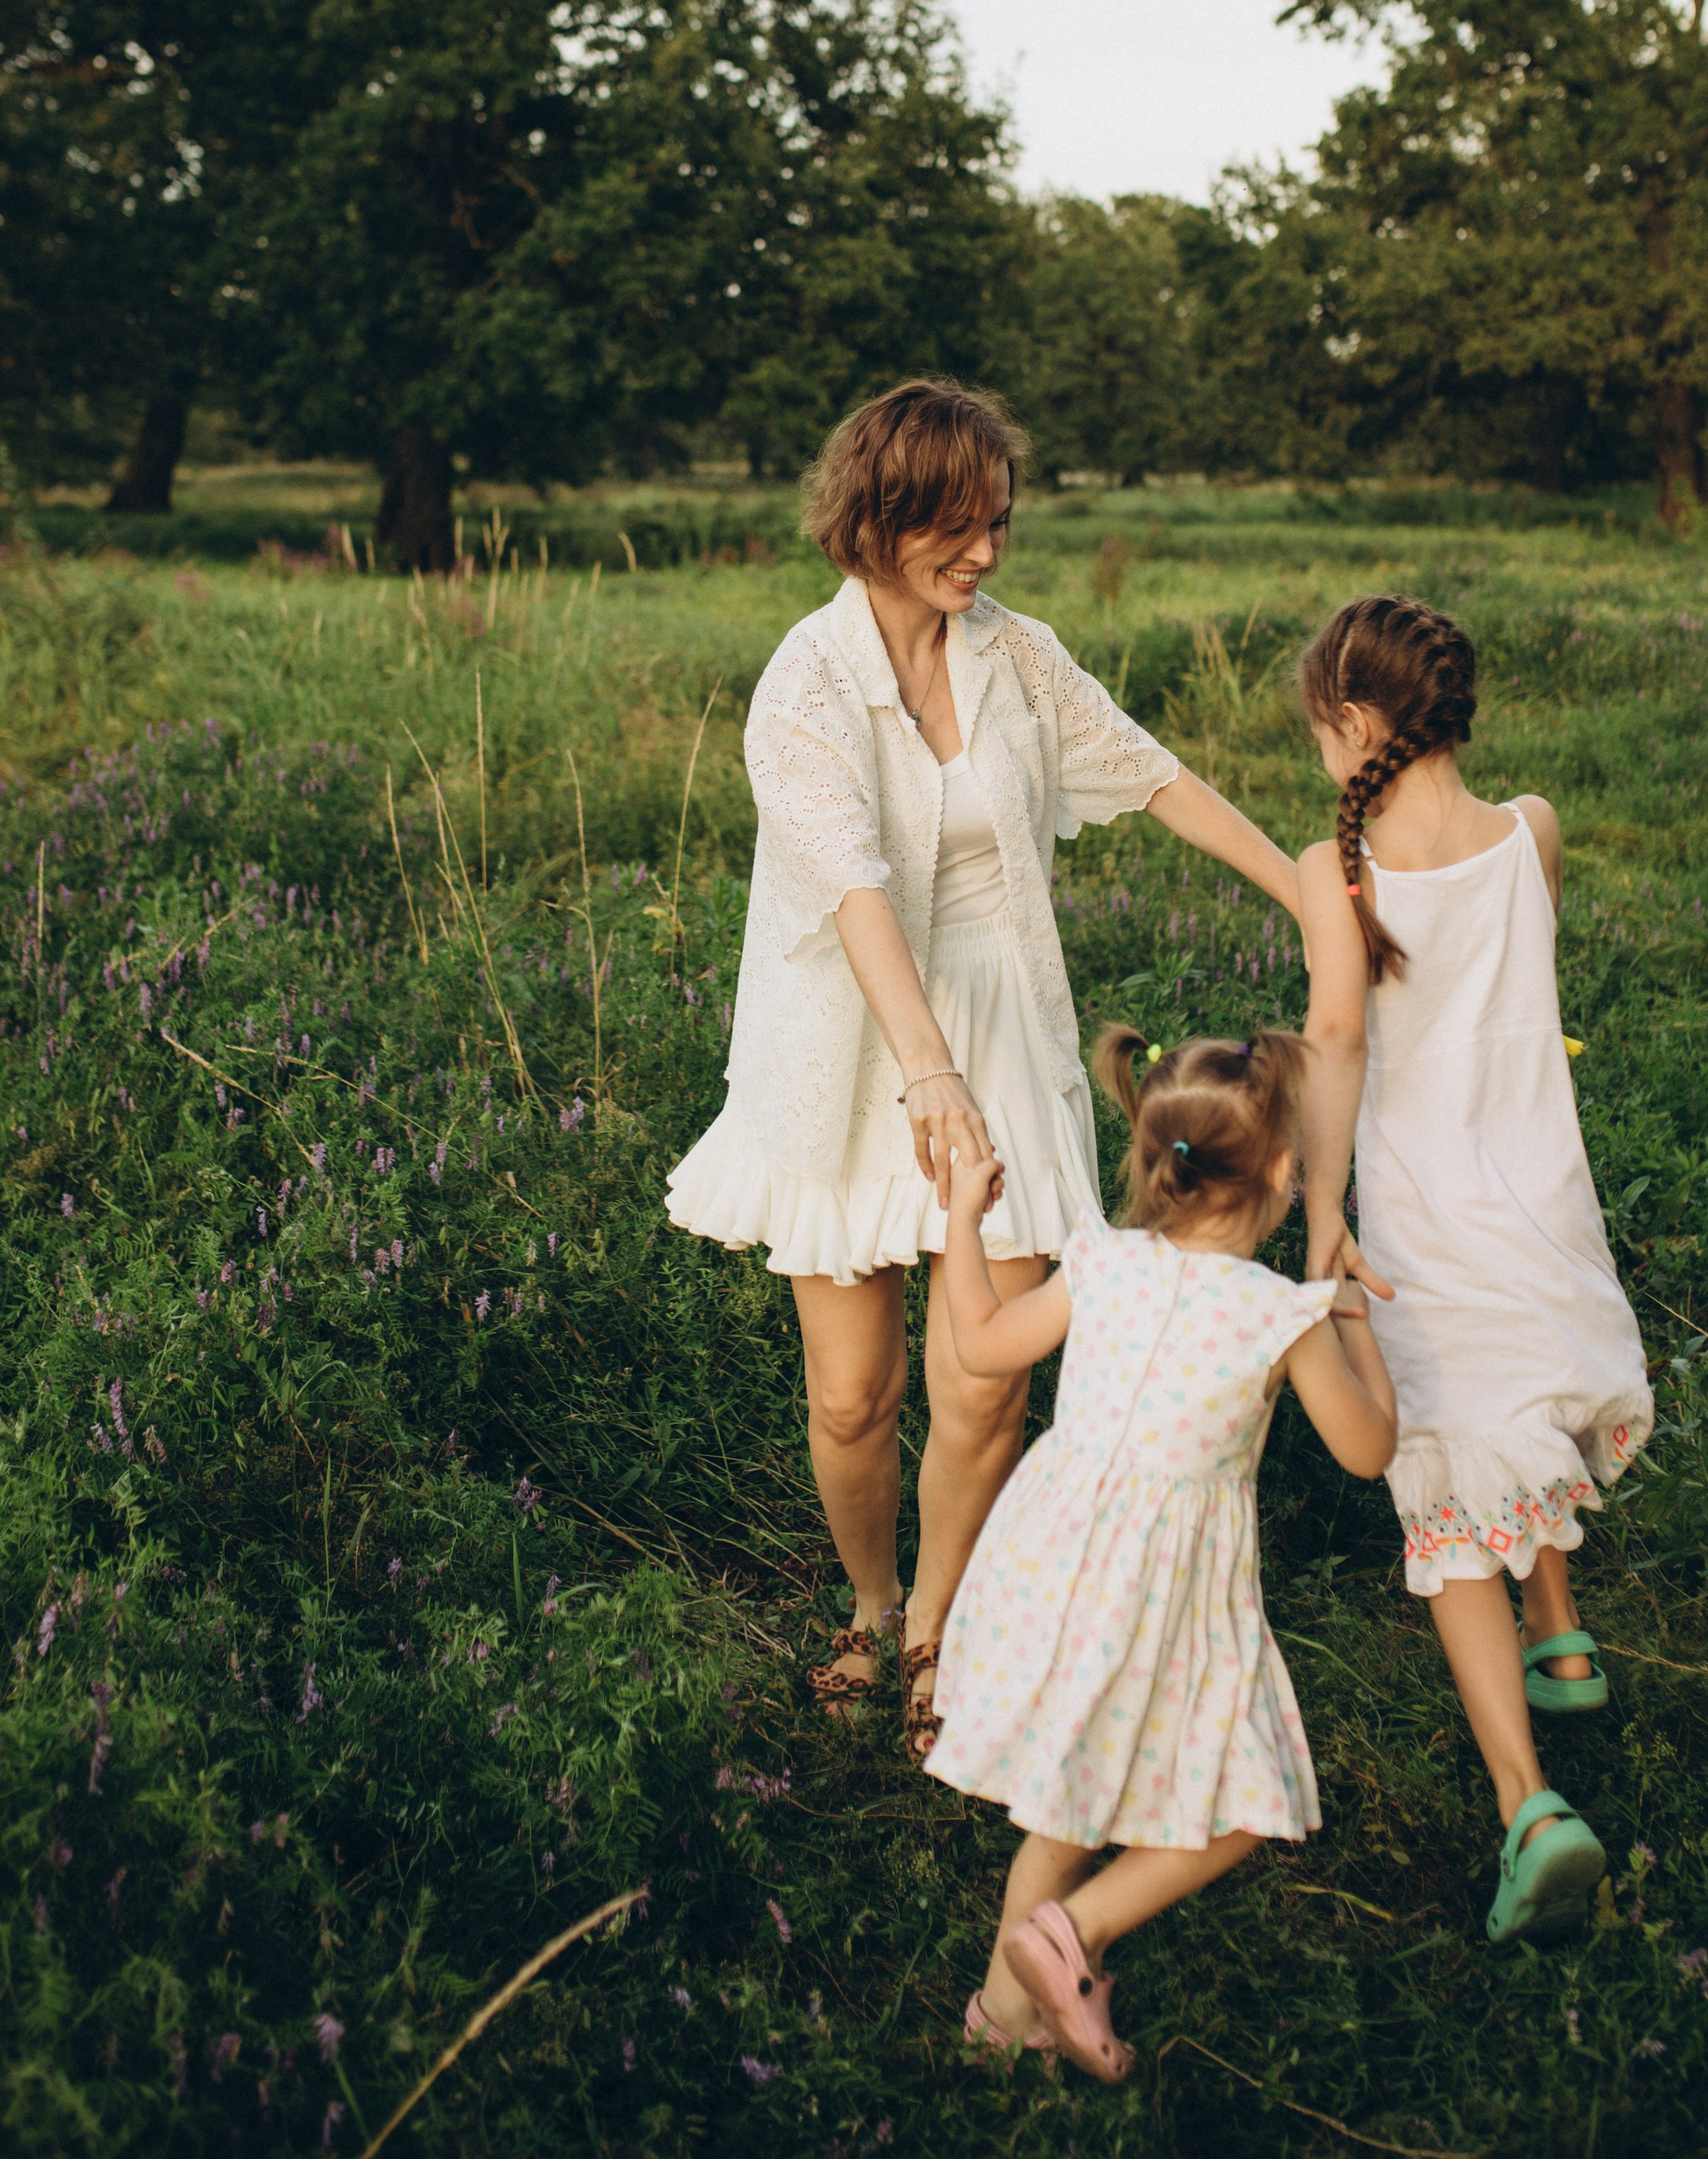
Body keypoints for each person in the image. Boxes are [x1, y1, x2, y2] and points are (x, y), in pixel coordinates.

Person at [666, 378, 1301, 1754]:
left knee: (987, 1379)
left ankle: (939, 1627)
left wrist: (1303, 894)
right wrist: (926, 1075)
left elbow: (1155, 774)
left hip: (1001, 1028)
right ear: (877, 519)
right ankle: (869, 1600)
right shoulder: (804, 683)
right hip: (853, 1039)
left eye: (1000, 523)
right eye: (957, 528)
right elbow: (853, 888)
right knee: (854, 1394)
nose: (988, 553)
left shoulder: (1018, 654)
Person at [924, 1027, 1397, 2081]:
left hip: (1052, 1574)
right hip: (1165, 1595)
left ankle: (999, 2032)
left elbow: (982, 1345)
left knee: (1064, 1811)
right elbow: (1369, 1451)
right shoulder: (1283, 1316)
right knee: (1246, 1801)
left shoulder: (1101, 1263)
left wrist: (961, 1221)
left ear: (1152, 1162)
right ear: (1283, 1173)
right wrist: (1353, 1314)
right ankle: (1076, 1932)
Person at [1295, 592, 1654, 1948]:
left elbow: (1337, 1044)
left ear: (1354, 722)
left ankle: (1527, 1806)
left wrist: (1322, 1215)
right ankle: (1560, 1636)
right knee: (1527, 1415)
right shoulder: (1532, 831)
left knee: (1451, 1492)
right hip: (1543, 1204)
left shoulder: (1341, 875)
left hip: (1426, 1227)